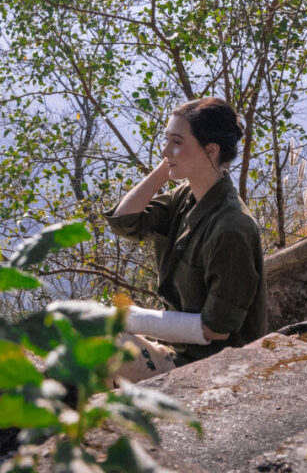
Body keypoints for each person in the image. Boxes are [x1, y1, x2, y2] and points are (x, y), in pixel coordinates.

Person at [106, 98, 267, 377]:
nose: (165, 149)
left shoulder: (232, 228)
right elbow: (125, 222)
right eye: (166, 140)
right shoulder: (187, 196)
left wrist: (133, 319)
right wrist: (168, 165)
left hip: (212, 368)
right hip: (179, 353)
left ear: (211, 150)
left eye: (177, 141)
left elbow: (215, 329)